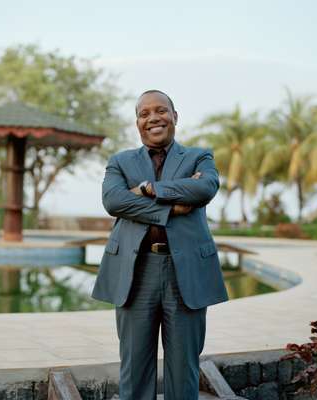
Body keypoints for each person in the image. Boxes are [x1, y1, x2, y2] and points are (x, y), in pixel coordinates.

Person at [91, 90, 229, 400]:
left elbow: (204, 188)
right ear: (137, 123)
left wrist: (146, 189)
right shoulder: (121, 161)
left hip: (186, 273)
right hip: (135, 271)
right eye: (144, 113)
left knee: (184, 373)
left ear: (175, 117)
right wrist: (170, 207)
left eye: (161, 110)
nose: (153, 117)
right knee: (134, 371)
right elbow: (114, 200)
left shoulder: (199, 156)